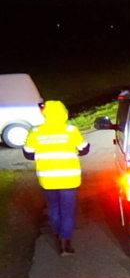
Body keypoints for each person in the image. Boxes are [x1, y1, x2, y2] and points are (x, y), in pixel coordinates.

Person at [22, 100, 90, 256]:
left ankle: (59, 235)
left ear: (45, 113)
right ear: (63, 112)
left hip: (47, 177)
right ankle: (65, 243)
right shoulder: (70, 130)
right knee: (67, 210)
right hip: (69, 177)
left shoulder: (35, 131)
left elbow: (28, 154)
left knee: (53, 208)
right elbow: (84, 149)